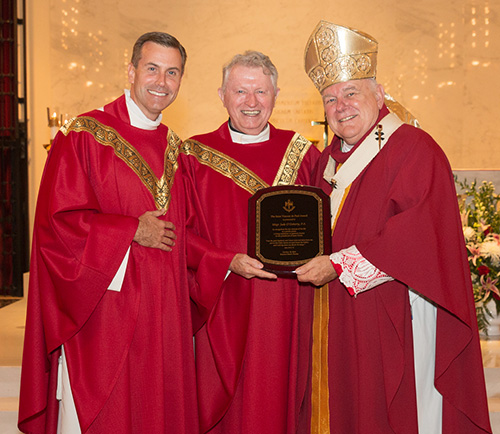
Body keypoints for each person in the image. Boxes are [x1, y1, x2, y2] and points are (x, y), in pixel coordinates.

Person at [18, 32, 236, 434]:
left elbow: (185, 234)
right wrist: (131, 229)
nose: (161, 82)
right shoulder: (85, 135)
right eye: (152, 69)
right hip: (106, 317)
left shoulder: (174, 147)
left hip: (164, 314)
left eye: (173, 73)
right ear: (131, 70)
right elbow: (57, 225)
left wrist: (226, 260)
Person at [295, 21, 492, 434]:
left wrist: (340, 265)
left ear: (379, 93)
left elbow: (419, 234)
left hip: (395, 315)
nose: (341, 106)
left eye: (351, 92)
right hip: (337, 317)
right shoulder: (325, 163)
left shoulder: (413, 148)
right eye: (330, 99)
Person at [181, 51, 321, 433]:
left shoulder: (304, 153)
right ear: (222, 95)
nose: (251, 102)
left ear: (275, 94)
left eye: (261, 91)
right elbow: (179, 234)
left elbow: (330, 225)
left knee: (282, 396)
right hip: (226, 302)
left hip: (289, 304)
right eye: (241, 91)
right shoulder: (193, 157)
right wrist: (225, 259)